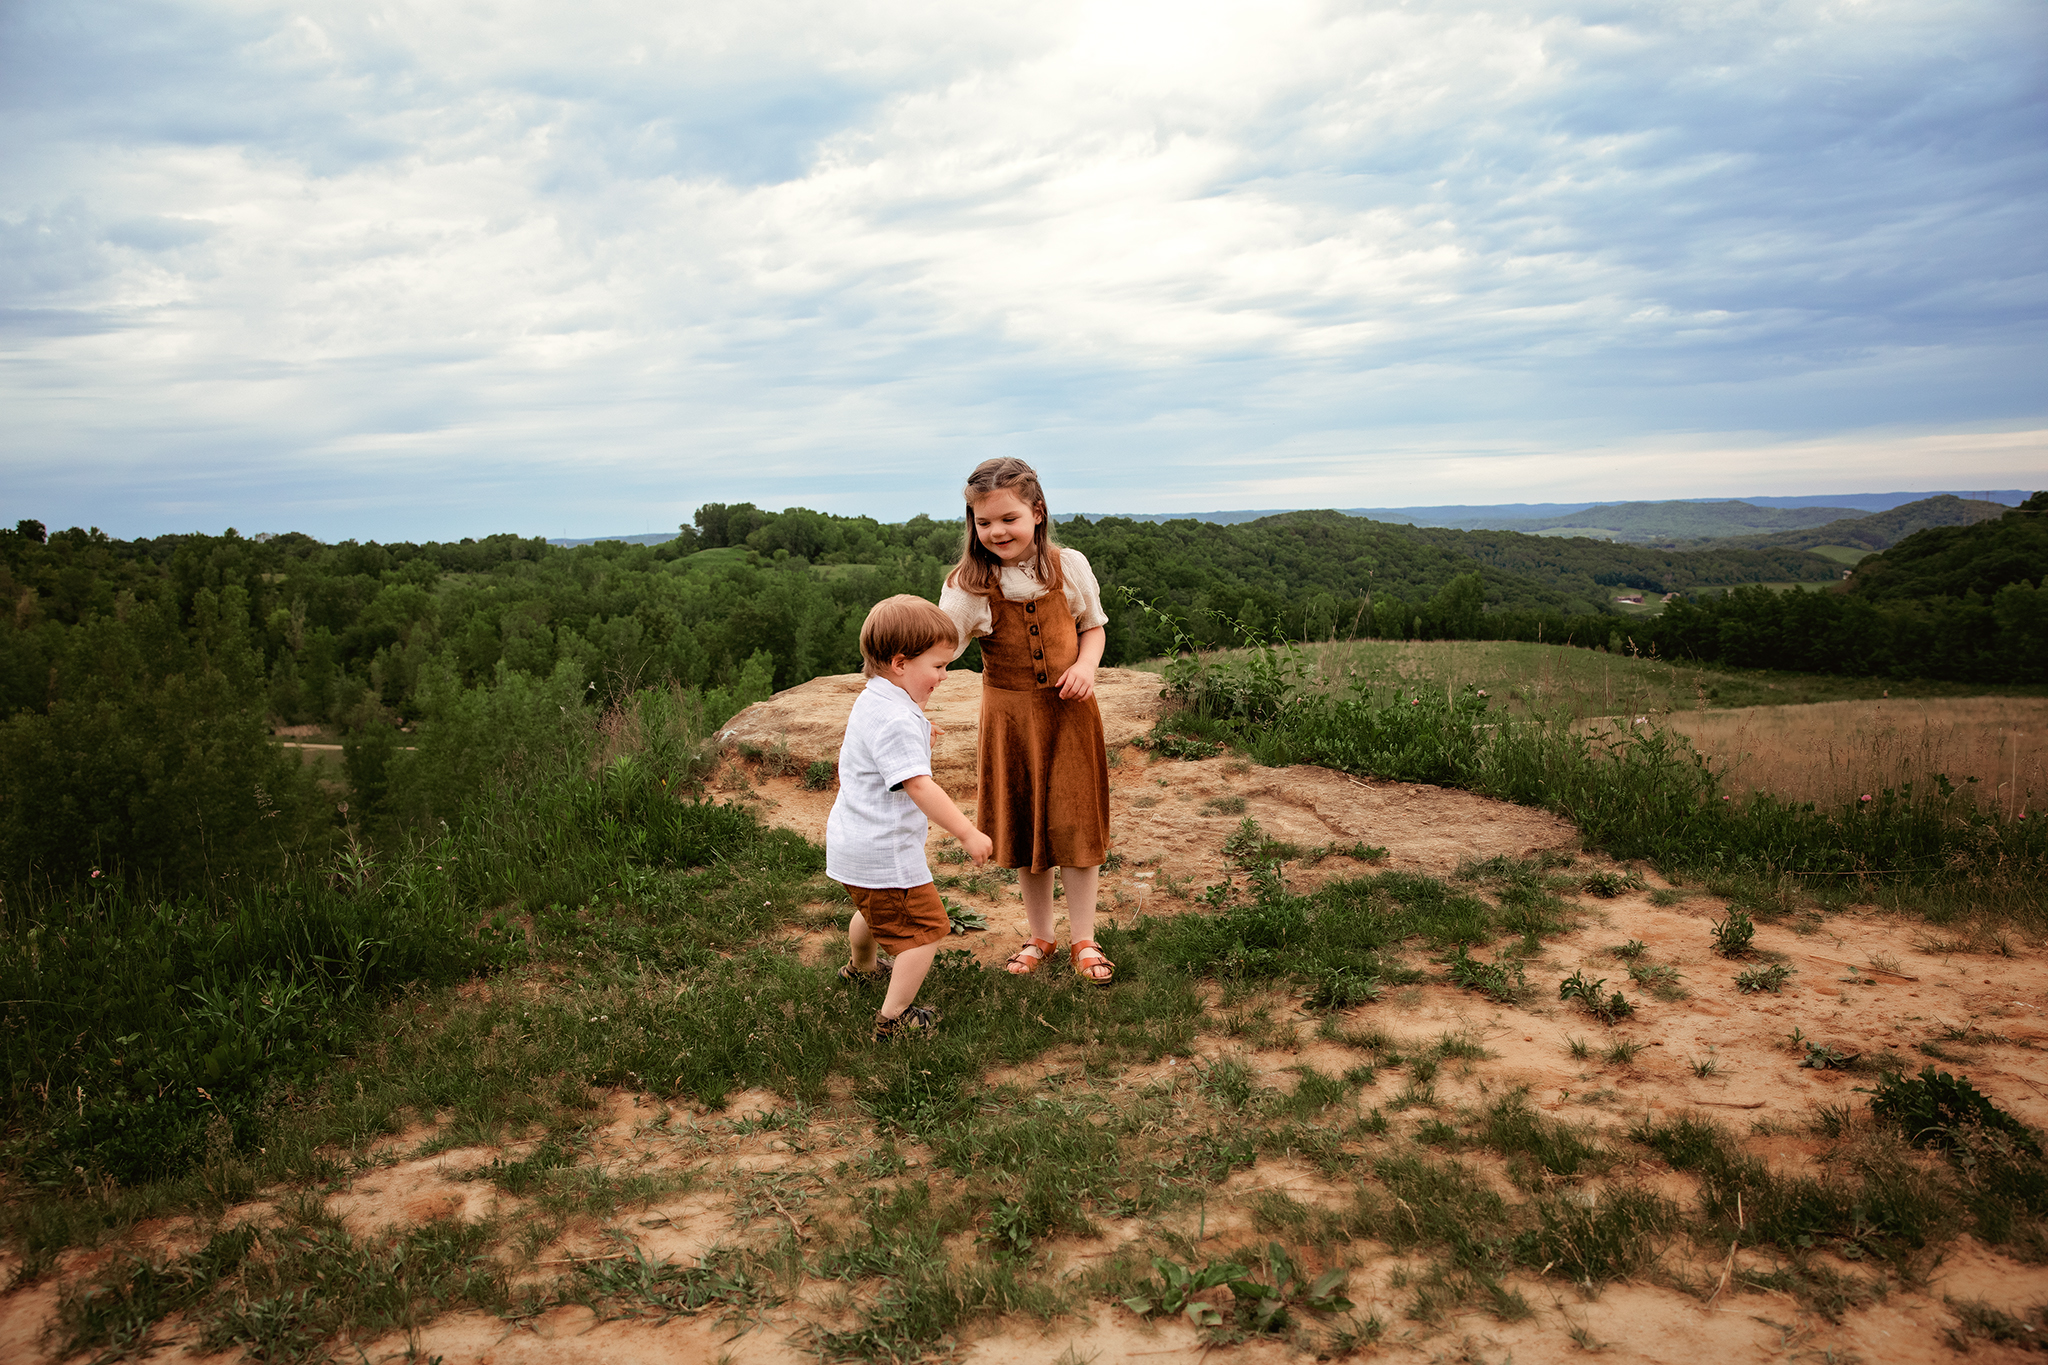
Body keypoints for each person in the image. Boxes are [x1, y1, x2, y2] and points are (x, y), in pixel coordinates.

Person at [938, 458, 1116, 985]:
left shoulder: (1070, 566)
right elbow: (939, 648)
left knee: (1077, 823)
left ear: (1037, 513)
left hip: (1070, 715)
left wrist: (1085, 666)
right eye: (983, 521)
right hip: (1011, 722)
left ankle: (1084, 937)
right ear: (972, 523)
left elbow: (1094, 627)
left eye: (1008, 518)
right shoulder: (969, 586)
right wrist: (907, 703)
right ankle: (1040, 935)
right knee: (1027, 828)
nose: (996, 531)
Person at [827, 594, 994, 1040]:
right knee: (925, 930)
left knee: (874, 909)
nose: (944, 675)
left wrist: (922, 733)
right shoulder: (898, 719)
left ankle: (861, 967)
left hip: (853, 845)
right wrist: (966, 832)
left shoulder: (876, 699)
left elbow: (889, 746)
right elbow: (919, 785)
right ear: (900, 662)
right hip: (884, 850)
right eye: (938, 666)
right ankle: (894, 1018)